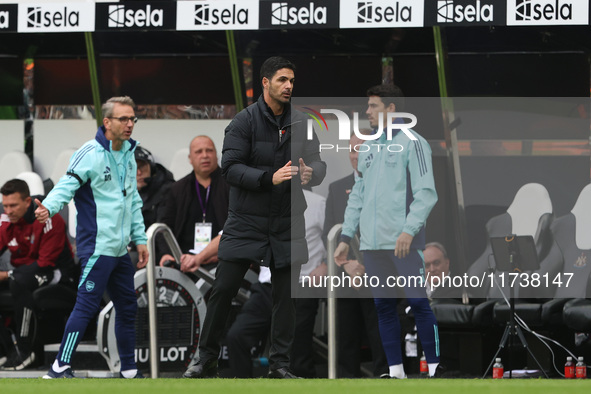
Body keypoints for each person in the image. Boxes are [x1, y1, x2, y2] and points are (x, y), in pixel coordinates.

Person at [183, 56, 326, 379]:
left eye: (292, 80)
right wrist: (268, 178)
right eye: (282, 80)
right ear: (265, 83)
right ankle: (205, 359)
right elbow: (230, 169)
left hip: (287, 220)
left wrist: (310, 174)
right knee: (223, 289)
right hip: (246, 221)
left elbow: (319, 165)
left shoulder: (303, 122)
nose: (289, 86)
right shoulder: (242, 122)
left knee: (286, 297)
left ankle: (280, 366)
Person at [34, 96, 148, 379]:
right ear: (107, 122)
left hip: (121, 250)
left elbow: (132, 200)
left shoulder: (129, 152)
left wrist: (140, 238)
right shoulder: (90, 152)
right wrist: (48, 207)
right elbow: (66, 185)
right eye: (124, 119)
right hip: (97, 248)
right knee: (86, 306)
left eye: (133, 118)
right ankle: (59, 367)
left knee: (127, 307)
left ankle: (129, 370)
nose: (130, 124)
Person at [334, 84, 440, 379]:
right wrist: (346, 237)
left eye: (373, 106)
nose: (367, 112)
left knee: (419, 303)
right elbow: (358, 195)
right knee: (383, 306)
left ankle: (435, 369)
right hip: (371, 245)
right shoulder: (367, 147)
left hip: (404, 243)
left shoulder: (414, 142)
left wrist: (408, 231)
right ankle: (394, 372)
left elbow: (427, 193)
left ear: (392, 109)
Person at [323, 132, 389, 378]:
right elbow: (328, 232)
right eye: (351, 149)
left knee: (381, 336)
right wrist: (348, 266)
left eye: (361, 149)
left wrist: (365, 267)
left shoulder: (389, 187)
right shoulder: (337, 188)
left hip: (379, 273)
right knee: (346, 339)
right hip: (345, 275)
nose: (355, 155)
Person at [0, 179, 75, 370]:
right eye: (5, 206)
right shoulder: (7, 221)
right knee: (19, 278)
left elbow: (44, 263)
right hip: (23, 273)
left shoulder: (48, 217)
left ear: (27, 201)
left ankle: (28, 352)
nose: (8, 211)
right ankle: (4, 351)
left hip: (57, 274)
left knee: (19, 281)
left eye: (13, 205)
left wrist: (8, 274)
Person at [157, 136, 230, 273]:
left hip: (222, 259)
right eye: (199, 152)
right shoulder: (177, 189)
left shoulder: (231, 185)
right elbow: (164, 227)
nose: (205, 156)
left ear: (216, 155)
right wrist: (166, 253)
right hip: (185, 259)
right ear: (190, 159)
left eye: (209, 151)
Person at [134, 146, 175, 231]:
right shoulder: (122, 192)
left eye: (141, 166)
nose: (139, 172)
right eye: (133, 168)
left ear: (151, 167)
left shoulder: (168, 191)